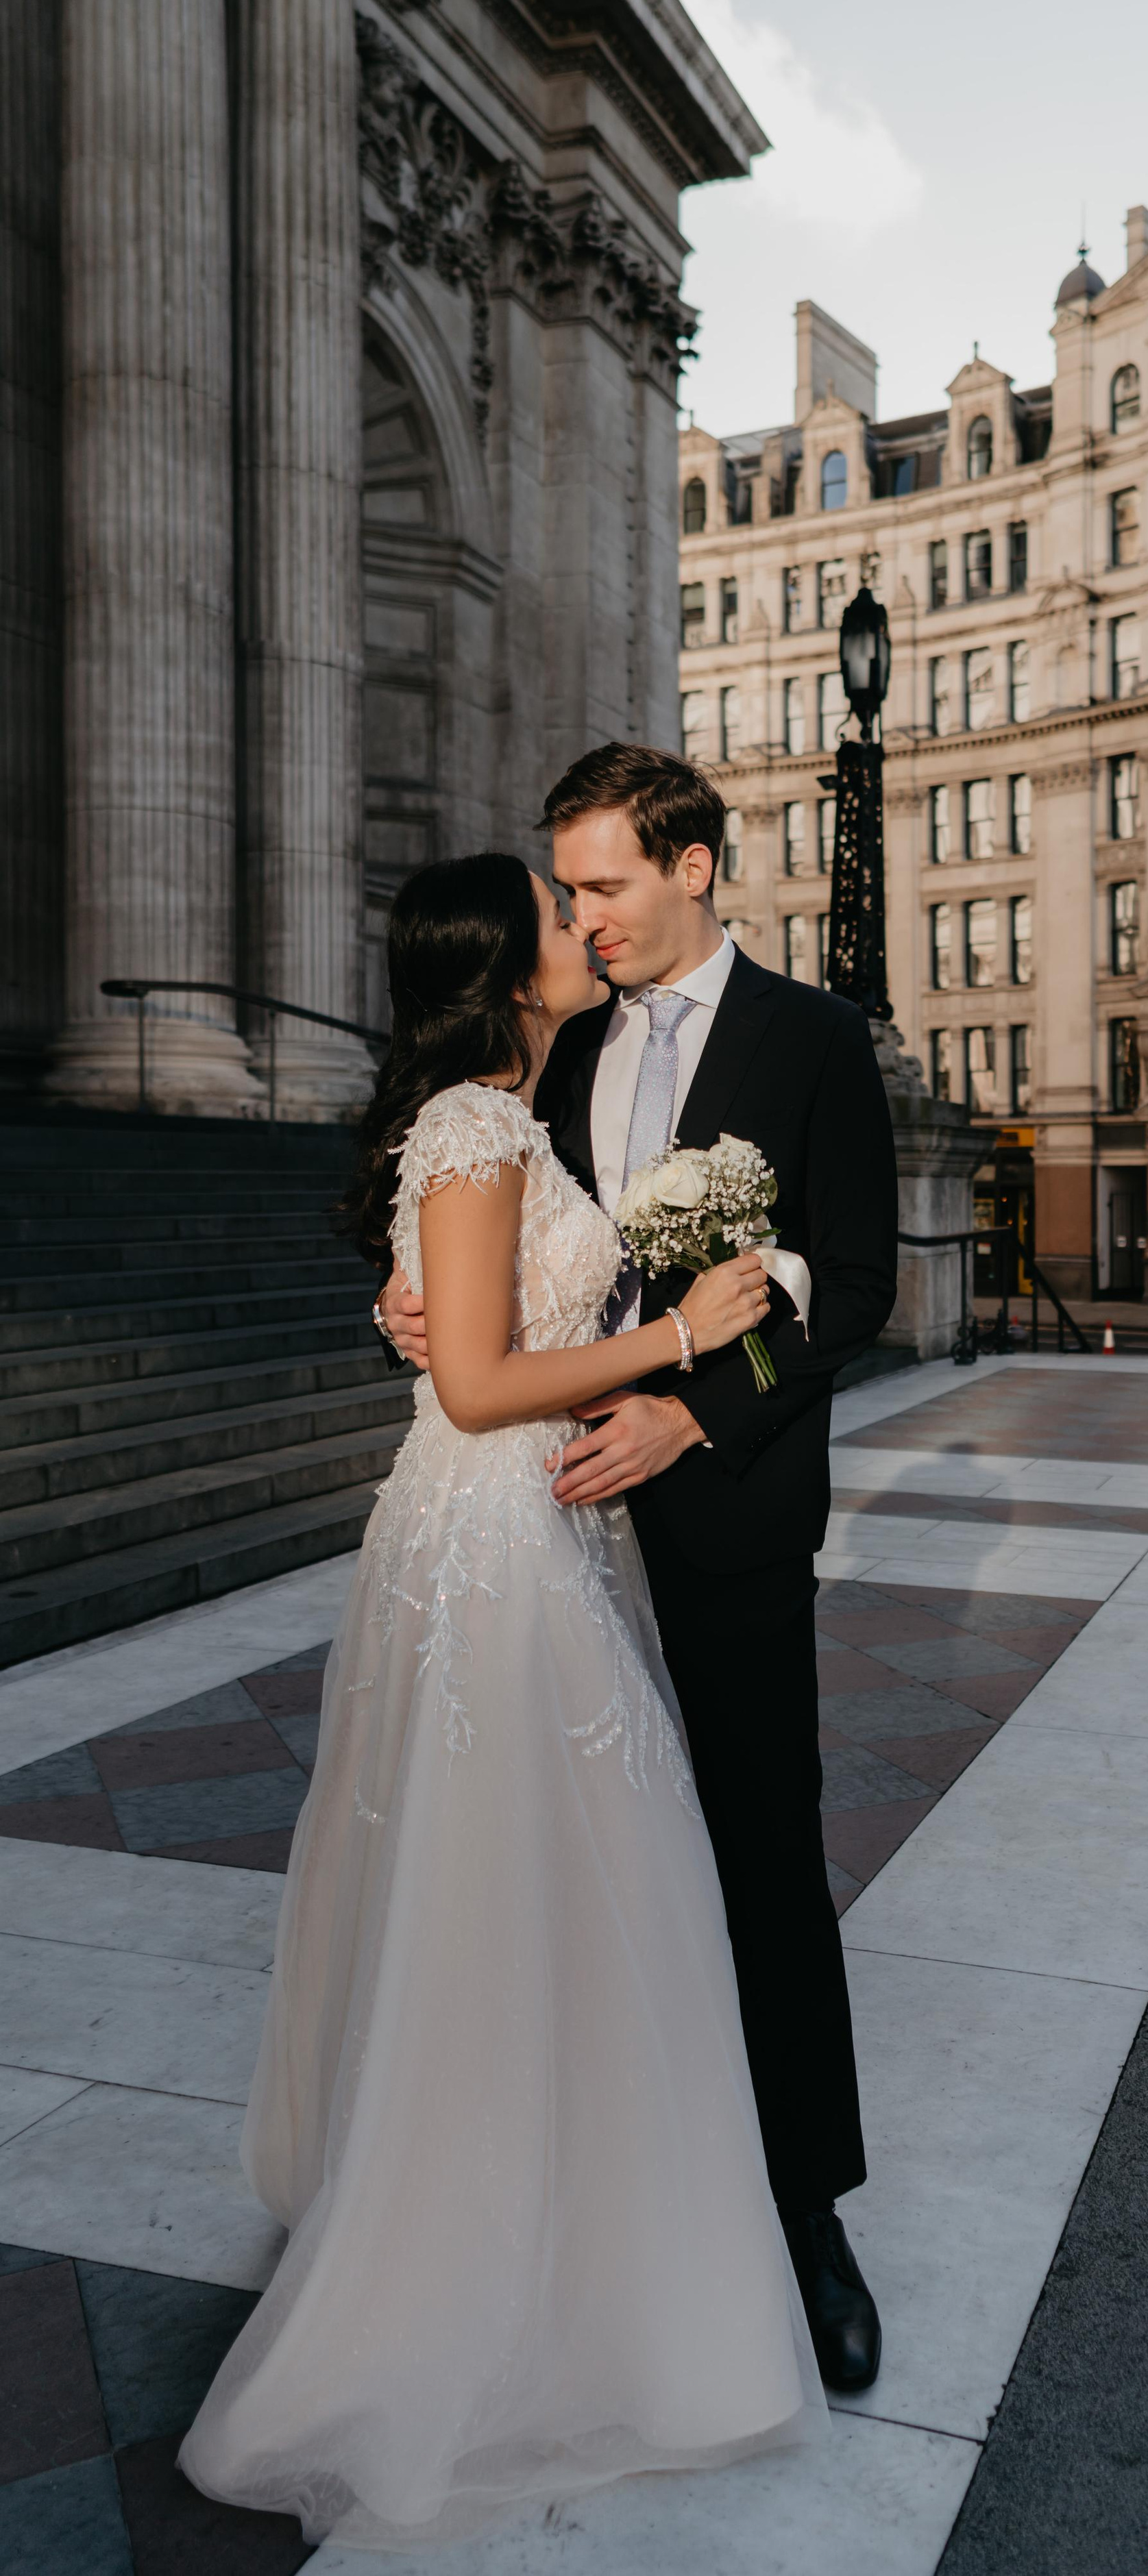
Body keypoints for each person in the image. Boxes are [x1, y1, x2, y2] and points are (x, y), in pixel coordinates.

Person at [180, 853, 824, 2551]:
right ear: (500, 963)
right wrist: (673, 1338)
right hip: (493, 1537)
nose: (582, 925)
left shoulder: (520, 1115)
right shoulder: (474, 1124)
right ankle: (484, 2239)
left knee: (549, 1883)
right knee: (519, 1882)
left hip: (539, 1526)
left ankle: (565, 2212)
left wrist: (672, 1315)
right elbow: (473, 1385)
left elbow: (474, 1324)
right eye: (556, 910)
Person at [380, 743, 897, 2392]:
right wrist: (401, 1307)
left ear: (691, 866)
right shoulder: (555, 1040)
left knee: (758, 1851)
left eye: (604, 883)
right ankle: (595, 2192)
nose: (583, 914)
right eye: (569, 890)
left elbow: (858, 1285)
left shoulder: (812, 1038)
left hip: (725, 1506)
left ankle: (804, 2214)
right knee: (576, 1869)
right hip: (548, 1523)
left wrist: (695, 1414)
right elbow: (482, 1241)